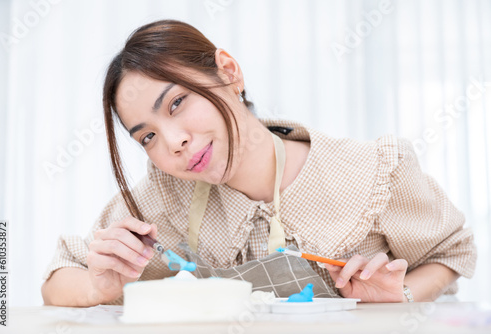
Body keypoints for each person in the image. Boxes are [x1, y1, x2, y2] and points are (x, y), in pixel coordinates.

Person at [41, 19, 477, 307]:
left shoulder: (374, 171)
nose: (174, 143)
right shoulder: (163, 198)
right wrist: (99, 286)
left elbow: (452, 254)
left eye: (176, 103)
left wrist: (396, 297)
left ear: (228, 72)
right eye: (148, 137)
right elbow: (58, 280)